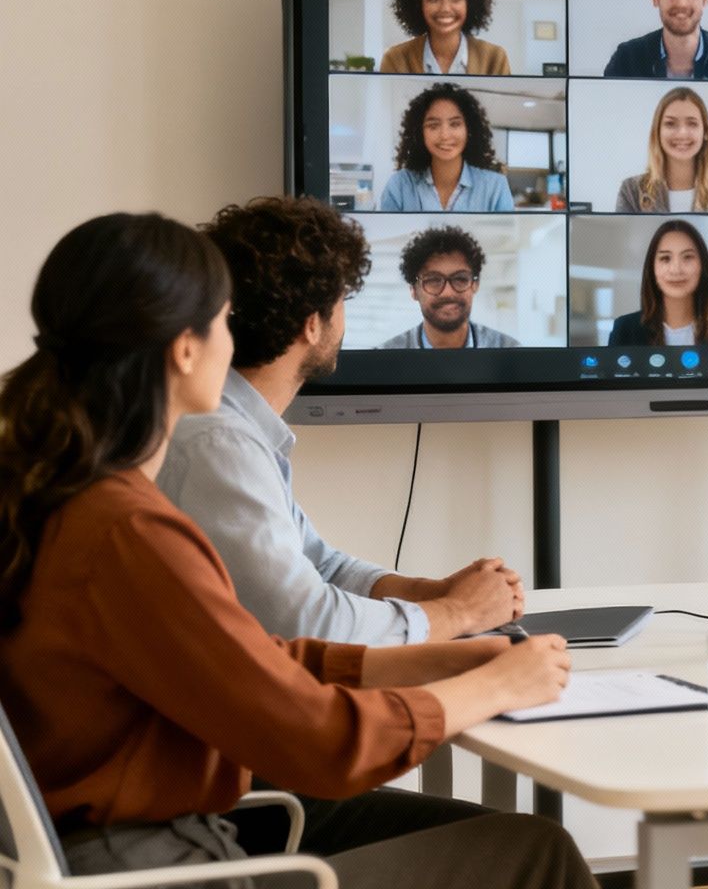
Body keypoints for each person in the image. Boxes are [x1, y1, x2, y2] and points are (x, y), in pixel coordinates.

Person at [0, 212, 593, 887]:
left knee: (506, 838)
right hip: (160, 864)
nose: (235, 342)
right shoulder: (128, 531)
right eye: (224, 321)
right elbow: (322, 742)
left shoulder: (58, 492)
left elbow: (243, 660)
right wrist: (491, 687)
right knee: (536, 852)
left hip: (124, 842)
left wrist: (433, 660)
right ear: (186, 349)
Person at [159, 196, 524, 646]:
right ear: (313, 325)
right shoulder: (219, 444)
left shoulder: (240, 431)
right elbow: (309, 623)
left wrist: (439, 591)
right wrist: (459, 612)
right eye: (343, 300)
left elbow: (323, 565)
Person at [606, 219, 708, 346]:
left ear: (703, 266)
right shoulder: (625, 329)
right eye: (665, 258)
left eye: (687, 257)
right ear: (652, 268)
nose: (676, 270)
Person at [376, 82, 515, 212]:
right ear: (419, 132)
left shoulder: (496, 187)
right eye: (433, 125)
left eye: (455, 124)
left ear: (469, 130)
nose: (444, 135)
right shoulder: (399, 186)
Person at [378, 225, 520, 349]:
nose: (448, 292)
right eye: (433, 280)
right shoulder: (384, 359)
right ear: (413, 290)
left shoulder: (510, 351)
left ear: (475, 284)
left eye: (460, 279)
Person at [613, 86, 708, 213]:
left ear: (705, 132)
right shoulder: (631, 191)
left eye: (692, 123)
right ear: (657, 132)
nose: (682, 133)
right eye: (670, 124)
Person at [377, 0, 512, 75]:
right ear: (418, 3)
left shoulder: (495, 58)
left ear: (470, 3)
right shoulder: (395, 58)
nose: (445, 8)